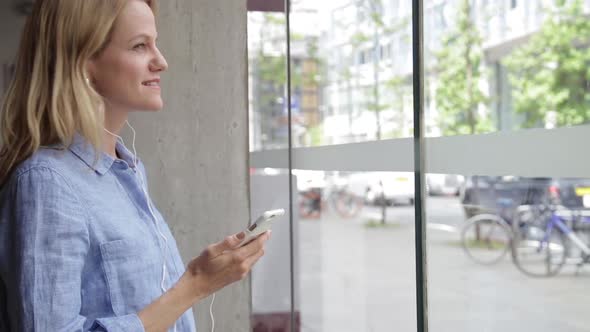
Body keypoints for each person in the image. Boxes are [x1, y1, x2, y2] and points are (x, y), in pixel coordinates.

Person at [0, 0, 269, 331]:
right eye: (140, 46)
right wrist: (195, 285)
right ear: (83, 61)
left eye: (155, 44)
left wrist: (201, 279)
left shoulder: (127, 170)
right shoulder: (46, 182)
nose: (162, 62)